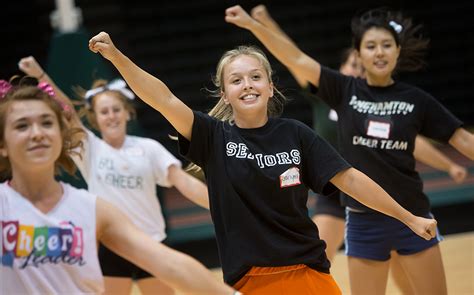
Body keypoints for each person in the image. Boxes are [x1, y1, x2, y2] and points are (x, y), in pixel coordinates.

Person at [88, 31, 438, 295]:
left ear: (271, 87)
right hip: (252, 280)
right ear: (225, 93)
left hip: (310, 272)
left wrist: (408, 217)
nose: (248, 85)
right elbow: (162, 98)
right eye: (236, 80)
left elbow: (350, 180)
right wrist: (117, 56)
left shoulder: (296, 134)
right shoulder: (212, 137)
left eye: (256, 77)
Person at [225, 5, 474, 295]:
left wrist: (450, 165)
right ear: (359, 53)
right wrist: (254, 26)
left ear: (397, 51)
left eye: (386, 45)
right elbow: (294, 57)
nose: (379, 52)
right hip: (363, 220)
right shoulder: (344, 89)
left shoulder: (416, 100)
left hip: (413, 214)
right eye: (370, 46)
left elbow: (463, 140)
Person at [0, 77, 236, 295]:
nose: (37, 133)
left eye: (46, 123)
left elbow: (174, 265)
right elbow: (68, 112)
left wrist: (224, 207)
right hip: (111, 253)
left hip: (149, 239)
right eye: (22, 126)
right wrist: (40, 74)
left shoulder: (94, 209)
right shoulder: (91, 149)